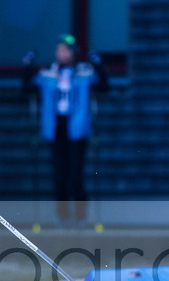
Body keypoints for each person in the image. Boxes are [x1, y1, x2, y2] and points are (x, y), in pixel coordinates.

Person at [23, 33, 109, 225]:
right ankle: (62, 216)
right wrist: (28, 67)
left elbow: (103, 86)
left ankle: (81, 216)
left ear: (74, 52)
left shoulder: (84, 72)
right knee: (59, 175)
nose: (62, 53)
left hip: (78, 130)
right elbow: (27, 88)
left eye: (66, 50)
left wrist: (99, 65)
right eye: (59, 50)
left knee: (75, 174)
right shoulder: (48, 73)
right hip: (55, 129)